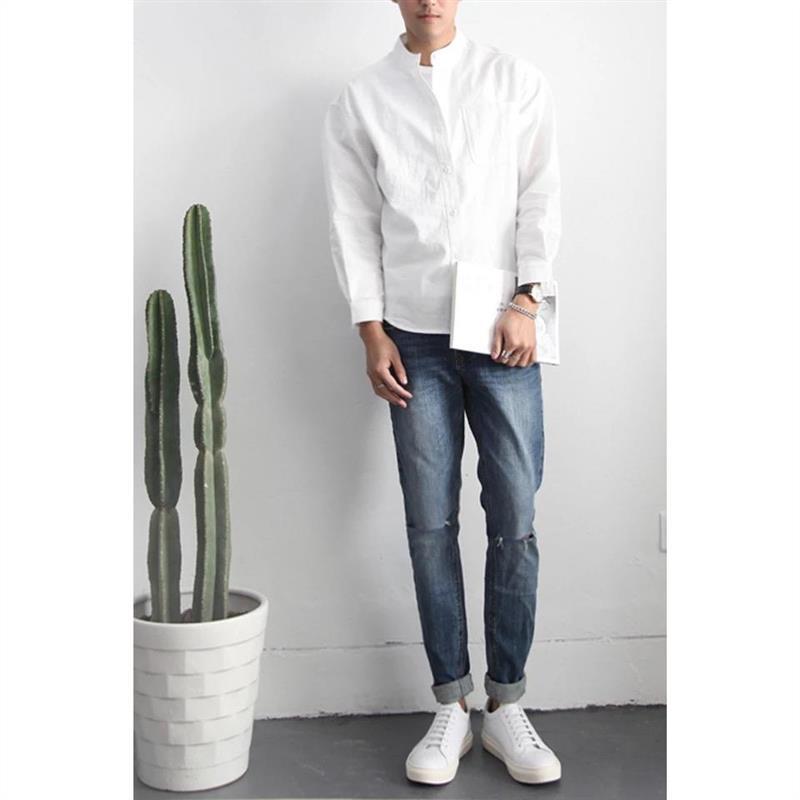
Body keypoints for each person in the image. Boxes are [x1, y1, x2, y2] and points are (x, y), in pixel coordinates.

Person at [320, 0, 562, 786]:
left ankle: (507, 704)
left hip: (502, 329)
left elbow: (540, 195)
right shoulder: (362, 99)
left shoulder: (515, 81)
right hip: (412, 336)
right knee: (430, 524)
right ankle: (452, 703)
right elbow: (352, 219)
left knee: (515, 519)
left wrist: (528, 299)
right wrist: (370, 330)